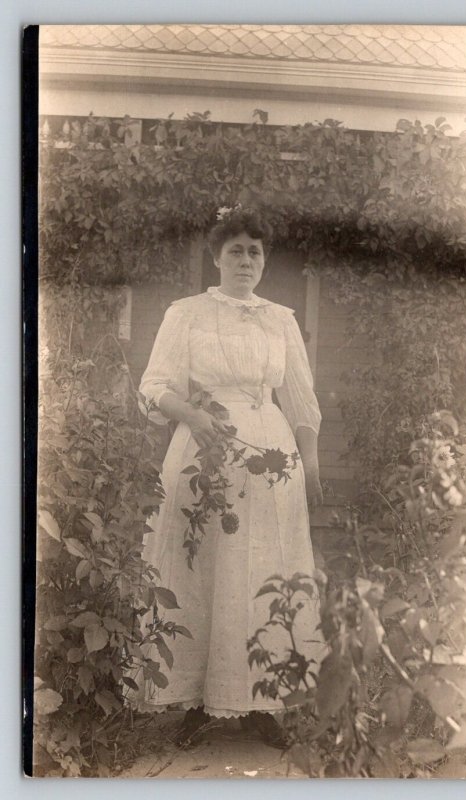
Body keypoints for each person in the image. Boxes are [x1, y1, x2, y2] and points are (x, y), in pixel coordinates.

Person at [135, 206, 324, 747]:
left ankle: (262, 702)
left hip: (270, 456)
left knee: (267, 570)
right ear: (216, 257)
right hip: (204, 452)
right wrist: (193, 415)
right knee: (205, 570)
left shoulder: (281, 319)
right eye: (236, 249)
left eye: (255, 251)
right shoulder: (187, 313)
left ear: (265, 261)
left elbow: (302, 401)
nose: (246, 259)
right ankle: (197, 700)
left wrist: (309, 465)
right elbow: (154, 385)